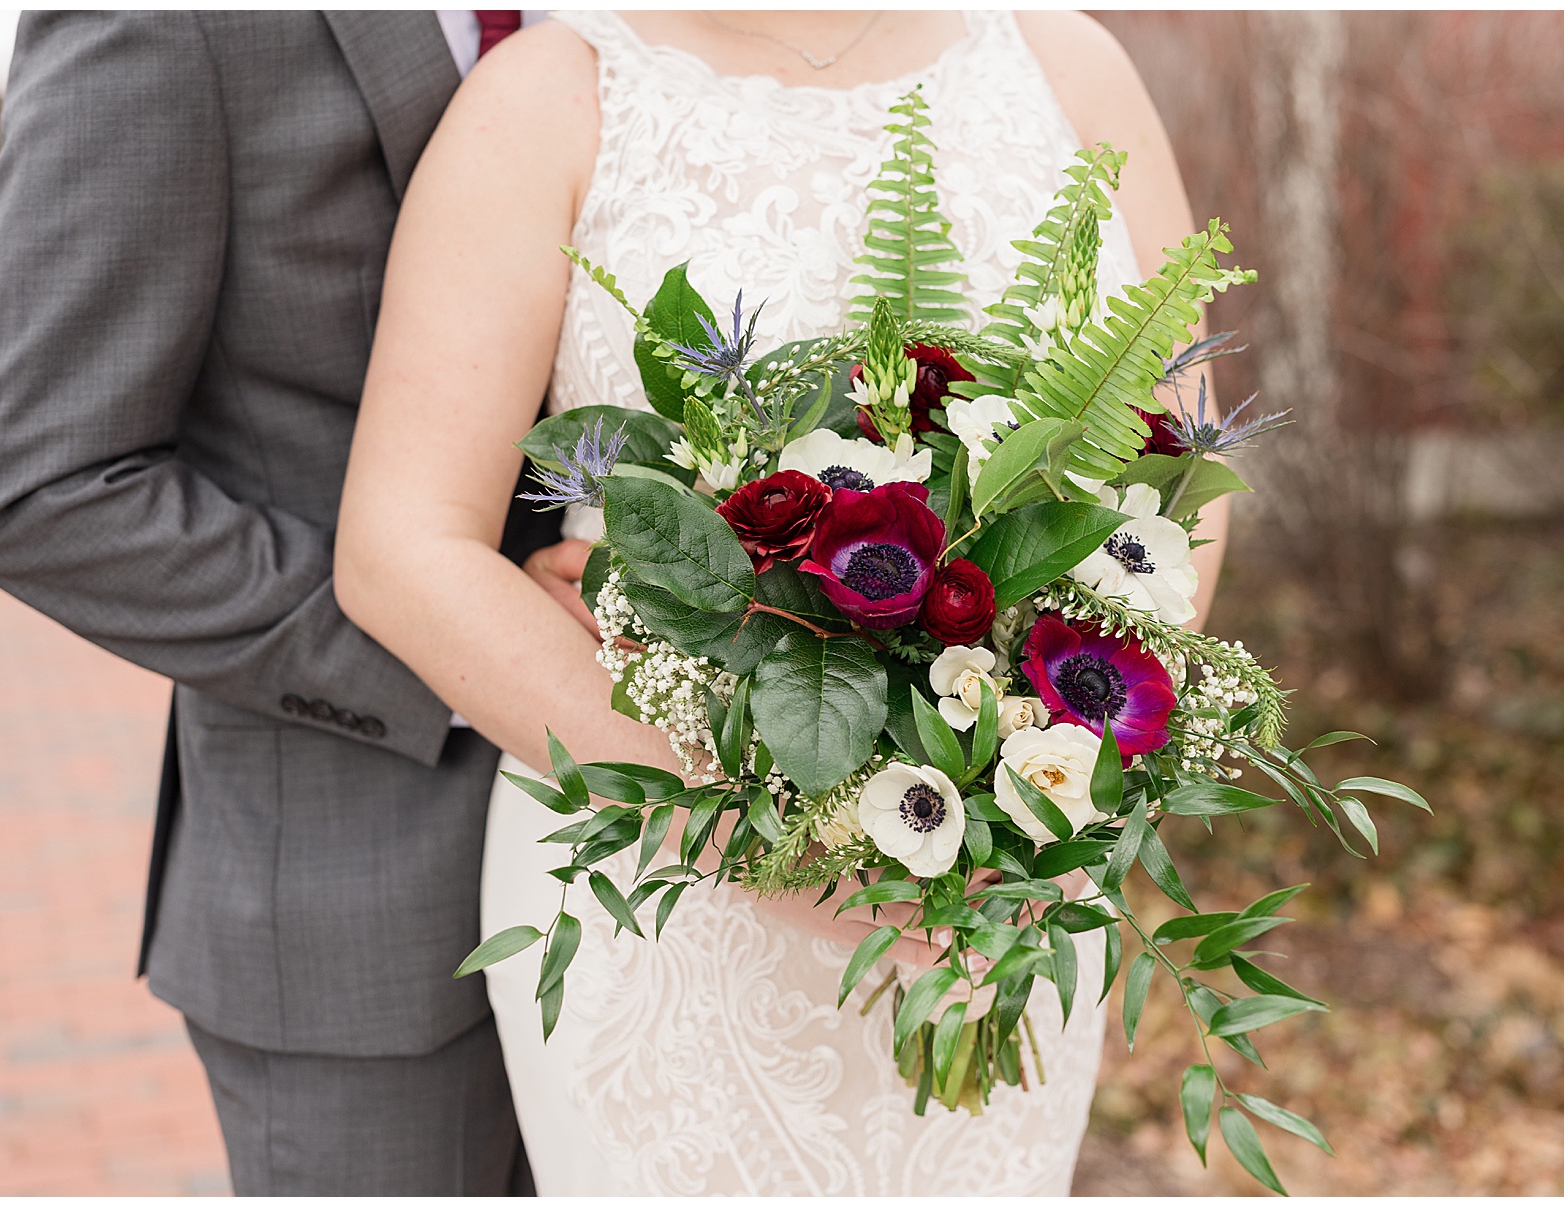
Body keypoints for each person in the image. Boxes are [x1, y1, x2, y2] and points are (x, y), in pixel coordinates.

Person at [336, 9, 1230, 1195]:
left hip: (1006, 897)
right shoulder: (549, 95)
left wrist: (1067, 780)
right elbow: (400, 544)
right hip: (667, 891)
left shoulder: (1071, 64)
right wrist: (751, 832)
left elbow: (1186, 480)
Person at [0, 11, 576, 1196]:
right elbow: (43, 489)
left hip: (691, 895)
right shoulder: (164, 21)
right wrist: (472, 648)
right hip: (364, 913)